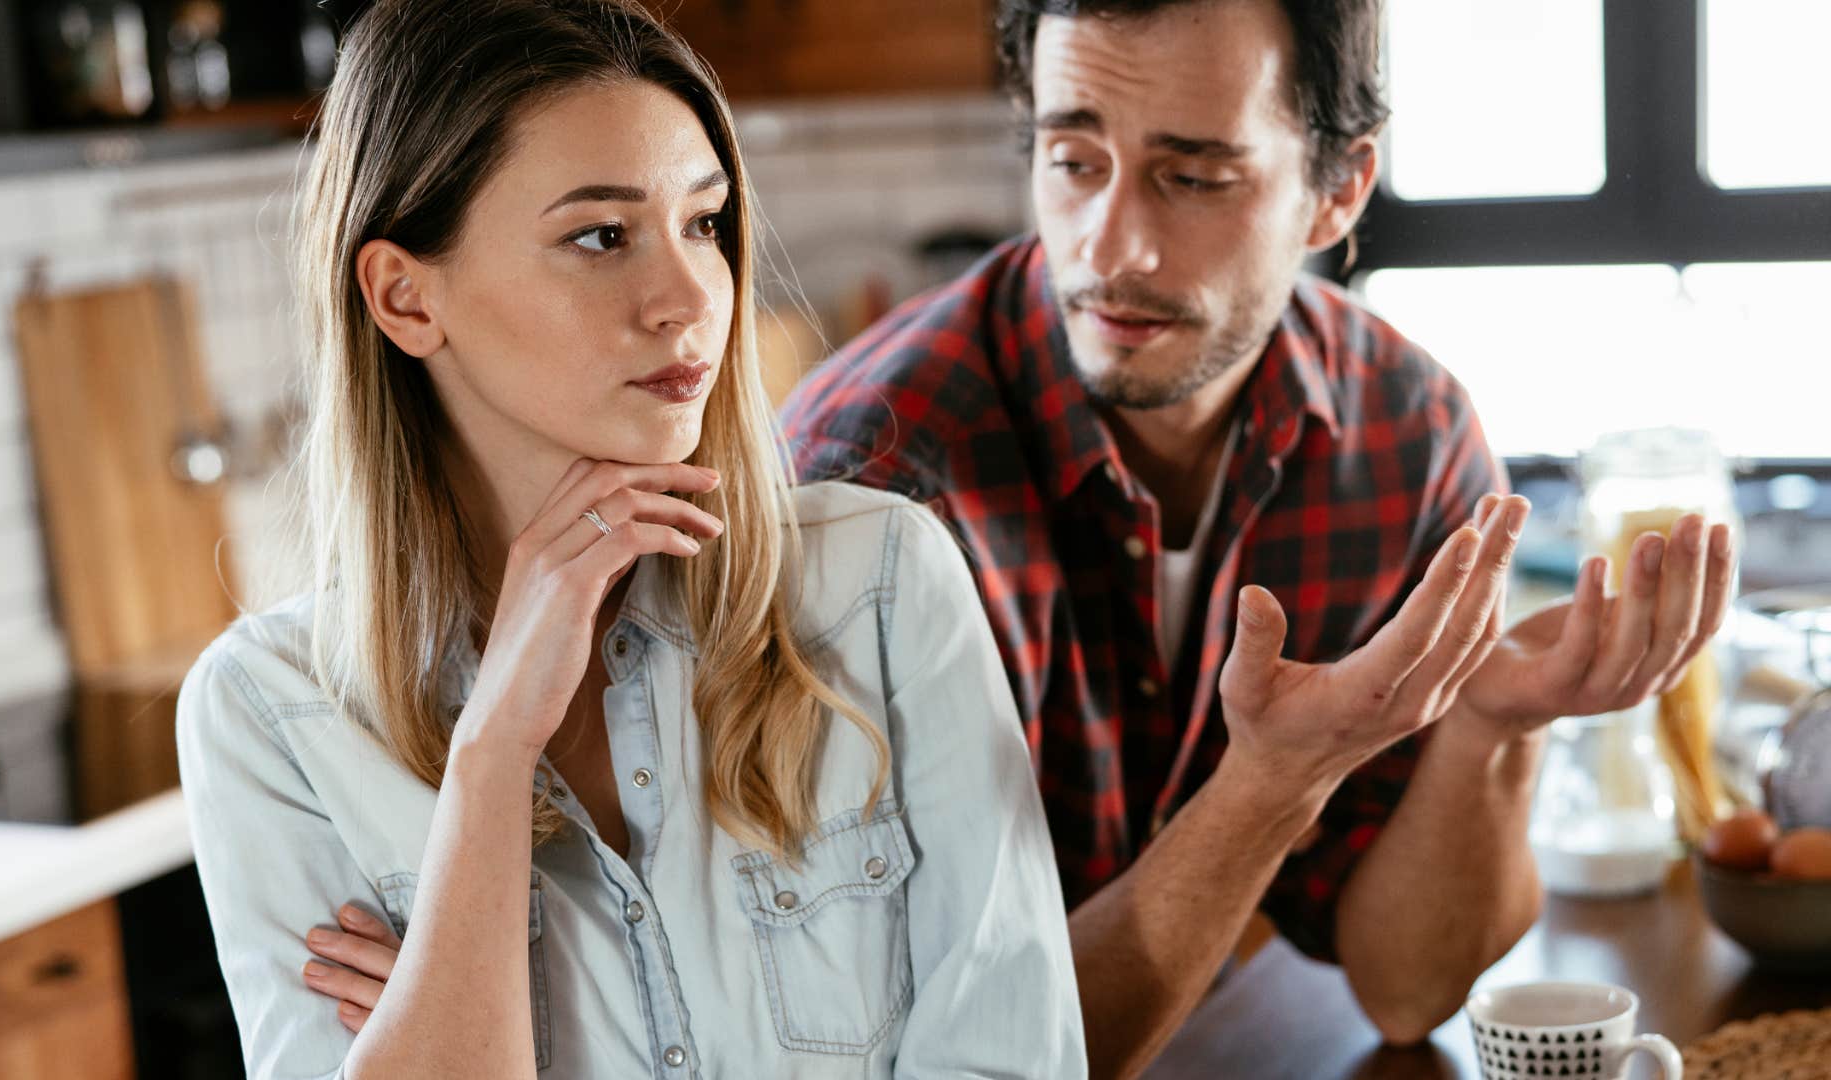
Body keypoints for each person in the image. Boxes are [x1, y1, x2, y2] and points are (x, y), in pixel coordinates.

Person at [775, 0, 1736, 1076]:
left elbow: (1409, 989)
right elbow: (892, 1054)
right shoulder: (871, 492)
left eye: (1194, 177)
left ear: (1337, 191)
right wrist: (1269, 784)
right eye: (1073, 159)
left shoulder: (1405, 435)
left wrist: (1488, 731)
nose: (1113, 246)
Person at [174, 1, 1090, 1076]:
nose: (688, 297)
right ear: (405, 297)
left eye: (704, 223)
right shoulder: (267, 714)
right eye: (601, 236)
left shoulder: (878, 585)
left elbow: (1012, 1059)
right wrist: (492, 755)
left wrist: (436, 1002)